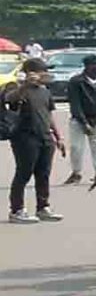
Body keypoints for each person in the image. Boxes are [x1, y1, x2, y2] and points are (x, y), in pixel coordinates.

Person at [6, 58, 65, 224]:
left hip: (45, 138)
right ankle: (17, 210)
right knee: (23, 174)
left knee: (43, 174)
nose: (45, 74)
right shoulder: (18, 89)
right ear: (31, 72)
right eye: (42, 71)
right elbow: (9, 99)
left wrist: (58, 137)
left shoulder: (45, 91)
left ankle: (43, 207)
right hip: (25, 137)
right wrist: (25, 84)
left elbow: (49, 115)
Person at [65, 54, 96, 185]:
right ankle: (76, 173)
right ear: (89, 66)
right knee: (76, 147)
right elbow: (75, 104)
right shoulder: (76, 82)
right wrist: (84, 123)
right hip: (78, 120)